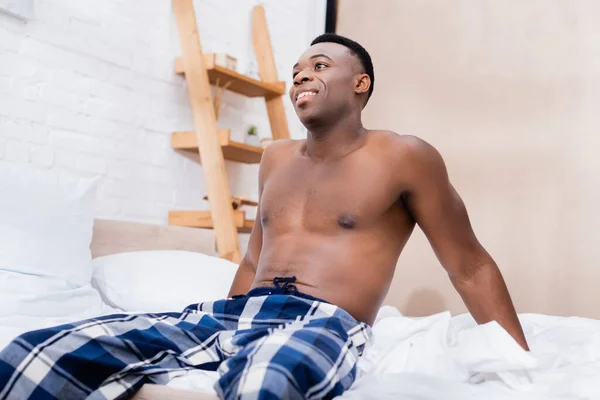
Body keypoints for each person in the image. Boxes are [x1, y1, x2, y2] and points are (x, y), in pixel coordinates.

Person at [0, 33, 528, 400]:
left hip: (324, 319)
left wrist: (520, 365)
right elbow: (254, 258)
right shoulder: (274, 156)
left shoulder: (403, 155)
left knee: (265, 383)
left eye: (320, 66)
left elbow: (470, 266)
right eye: (297, 70)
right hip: (237, 313)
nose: (302, 75)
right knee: (34, 351)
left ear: (360, 84)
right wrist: (221, 337)